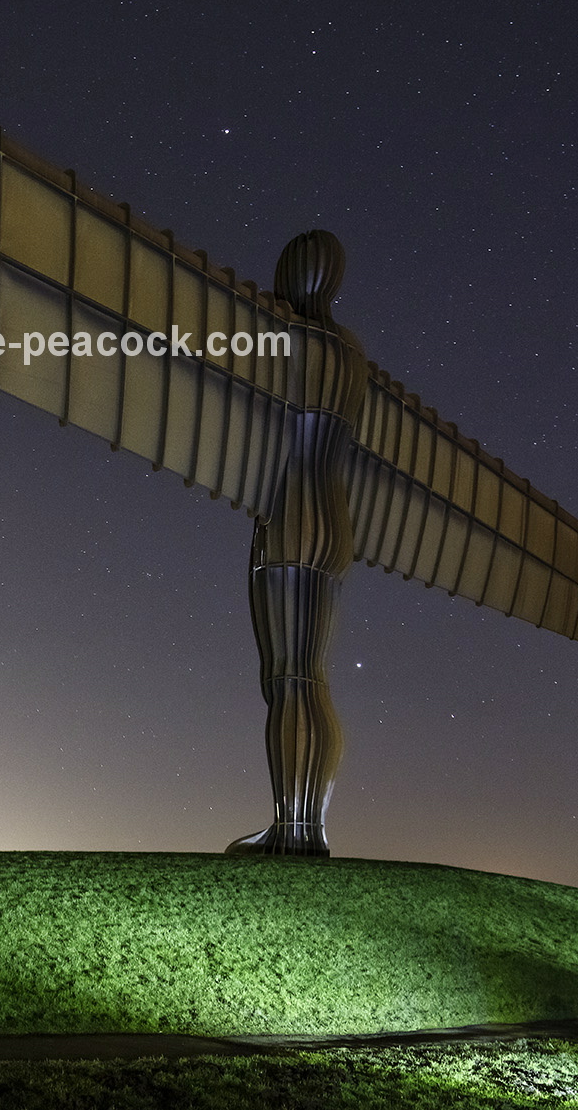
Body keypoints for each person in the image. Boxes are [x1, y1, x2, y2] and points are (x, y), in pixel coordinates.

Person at [225, 229, 367, 857]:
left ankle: (294, 830)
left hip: (289, 515)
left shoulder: (282, 336)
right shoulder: (351, 354)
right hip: (334, 522)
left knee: (287, 677)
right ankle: (303, 824)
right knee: (309, 677)